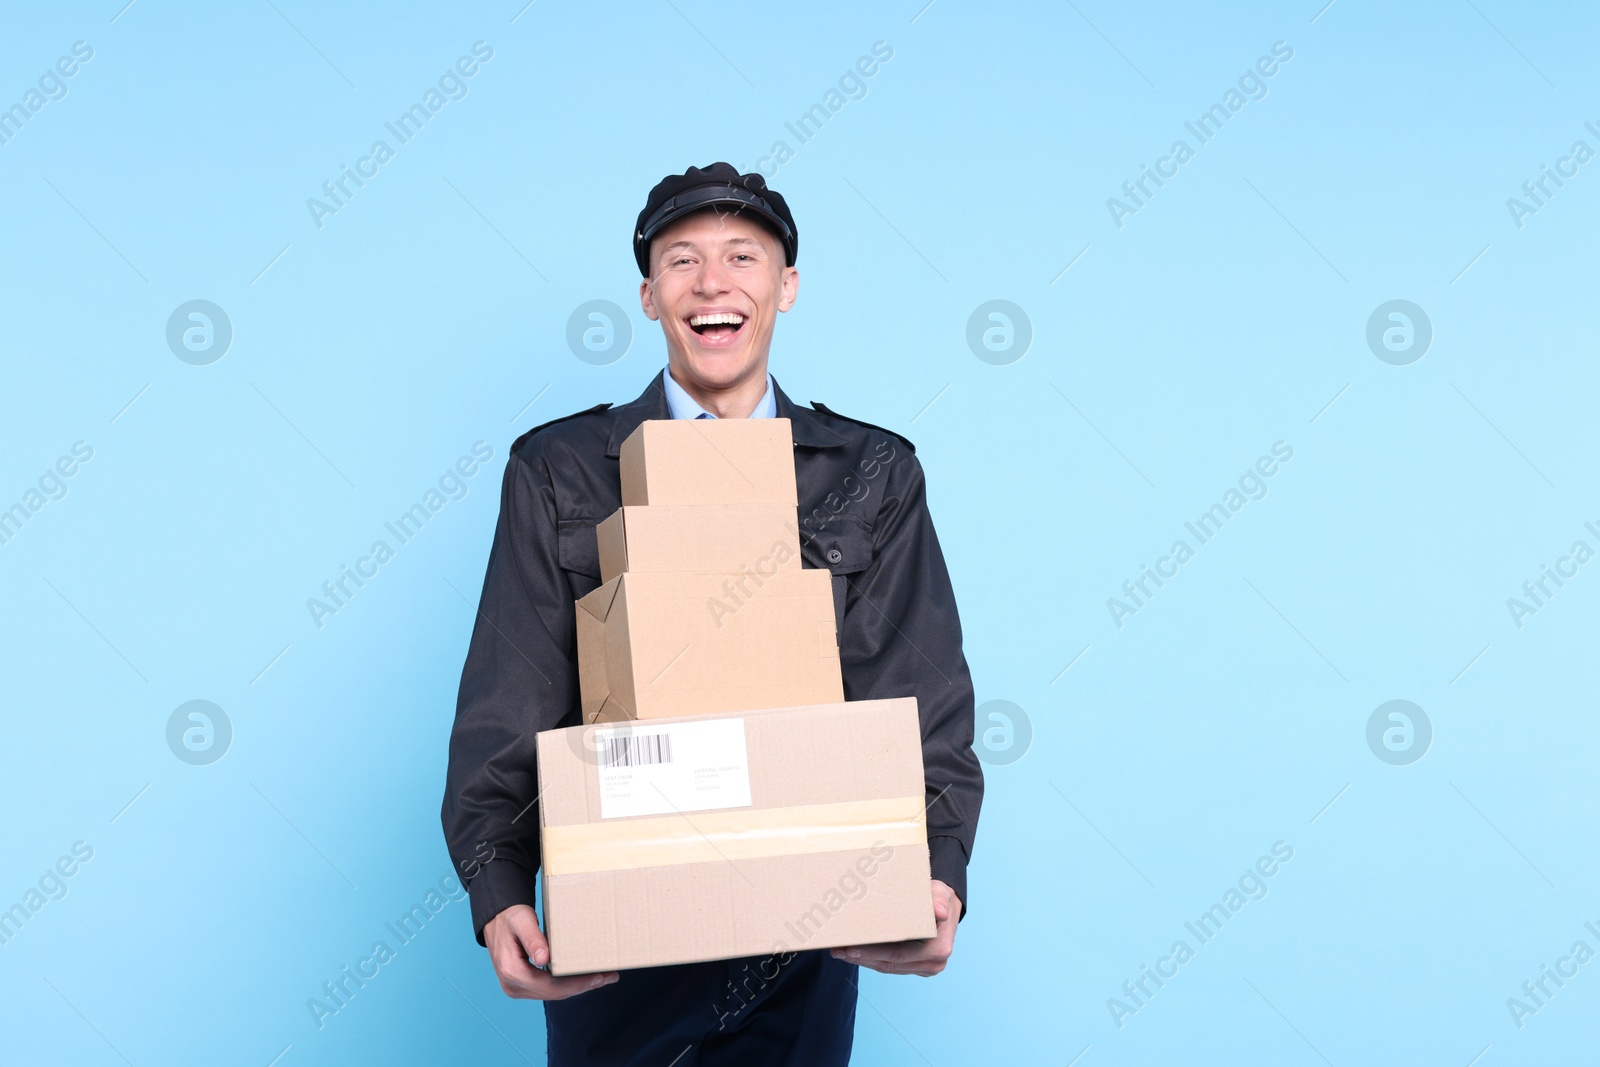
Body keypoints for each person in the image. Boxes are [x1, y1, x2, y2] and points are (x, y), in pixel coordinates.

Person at [441, 162, 983, 1065]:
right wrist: (498, 890)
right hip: (617, 941)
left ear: (785, 286)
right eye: (683, 260)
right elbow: (511, 697)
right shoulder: (560, 468)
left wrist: (939, 873)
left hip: (808, 939)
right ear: (651, 295)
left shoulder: (872, 472)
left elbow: (919, 689)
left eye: (744, 256)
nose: (713, 281)